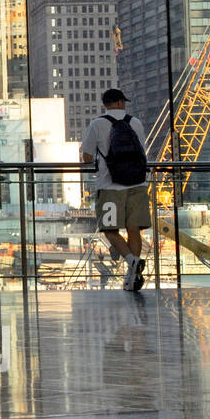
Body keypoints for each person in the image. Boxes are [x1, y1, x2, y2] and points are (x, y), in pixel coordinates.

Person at [81, 88, 151, 291]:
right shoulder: (135, 122)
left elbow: (86, 157)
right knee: (134, 229)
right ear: (120, 102)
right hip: (138, 184)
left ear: (105, 104)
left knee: (110, 230)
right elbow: (142, 152)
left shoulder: (97, 124)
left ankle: (131, 261)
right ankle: (132, 276)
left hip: (110, 185)